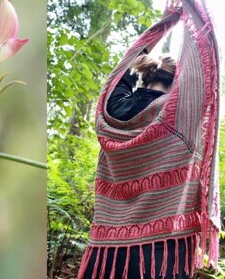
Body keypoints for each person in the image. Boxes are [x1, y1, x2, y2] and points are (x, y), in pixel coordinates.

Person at [82, 51, 192, 279]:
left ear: (146, 77)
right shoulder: (180, 116)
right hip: (160, 253)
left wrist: (157, 31)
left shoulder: (113, 110)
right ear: (178, 82)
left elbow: (122, 73)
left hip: (107, 251)